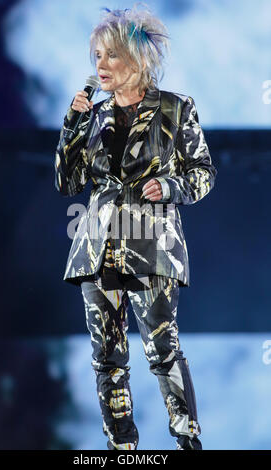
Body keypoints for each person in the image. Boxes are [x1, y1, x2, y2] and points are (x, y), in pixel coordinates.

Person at [54, 4, 217, 451]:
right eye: (97, 56)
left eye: (111, 56)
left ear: (139, 60)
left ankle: (187, 439)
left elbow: (203, 173)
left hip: (152, 244)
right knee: (107, 358)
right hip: (97, 246)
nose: (100, 66)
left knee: (162, 351)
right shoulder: (93, 116)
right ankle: (121, 448)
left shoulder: (176, 109)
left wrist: (169, 186)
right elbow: (67, 183)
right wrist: (71, 123)